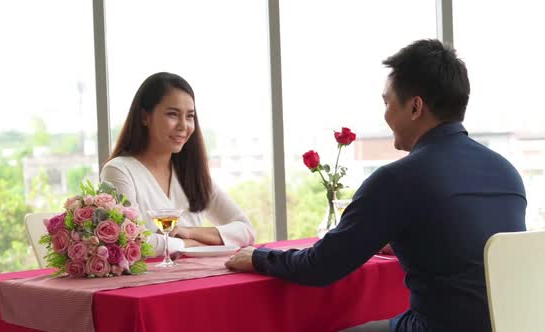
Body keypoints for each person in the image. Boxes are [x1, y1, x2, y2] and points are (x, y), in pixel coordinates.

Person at [225, 39, 526, 332]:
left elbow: (321, 266)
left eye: (387, 102)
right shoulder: (507, 173)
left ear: (415, 107)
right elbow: (467, 247)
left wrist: (257, 256)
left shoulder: (398, 179)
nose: (385, 114)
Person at [101, 72, 256, 256]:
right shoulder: (119, 171)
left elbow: (246, 231)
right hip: (149, 283)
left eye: (190, 116)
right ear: (145, 117)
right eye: (173, 114)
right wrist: (187, 244)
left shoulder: (192, 173)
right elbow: (133, 241)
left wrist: (189, 232)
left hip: (200, 278)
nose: (183, 126)